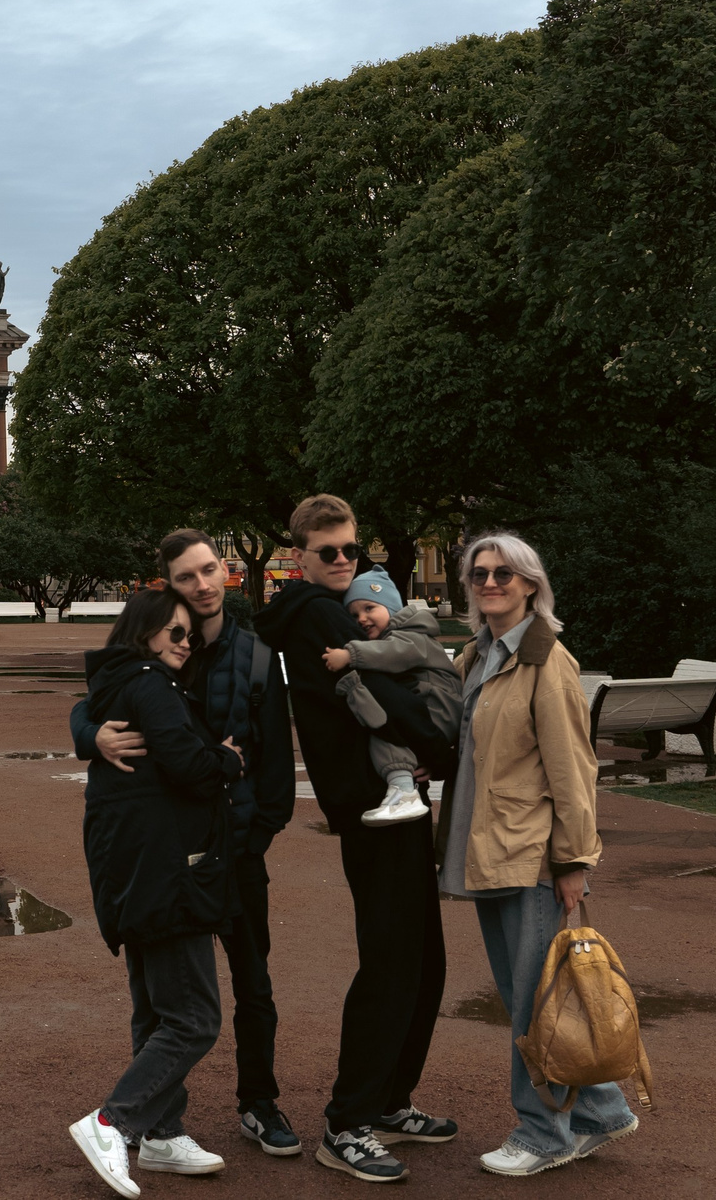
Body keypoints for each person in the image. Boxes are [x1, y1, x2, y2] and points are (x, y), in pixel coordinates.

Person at [75, 531, 301, 1156]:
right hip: (176, 846)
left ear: (225, 571)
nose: (201, 586)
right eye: (186, 578)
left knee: (251, 982)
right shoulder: (159, 653)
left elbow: (274, 757)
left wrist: (257, 834)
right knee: (167, 996)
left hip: (236, 844)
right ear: (167, 589)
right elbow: (97, 698)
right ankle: (156, 1126)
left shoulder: (253, 655)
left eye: (208, 571)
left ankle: (259, 1102)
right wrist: (90, 735)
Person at [255, 494, 456, 1182]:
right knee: (395, 959)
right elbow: (381, 695)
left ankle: (390, 1097)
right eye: (328, 551)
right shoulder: (315, 612)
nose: (343, 561)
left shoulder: (338, 610)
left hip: (392, 799)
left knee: (423, 958)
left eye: (351, 550)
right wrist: (441, 744)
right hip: (373, 805)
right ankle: (348, 1120)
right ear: (300, 555)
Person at [443, 532, 638, 1177]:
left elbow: (574, 771)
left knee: (533, 1000)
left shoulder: (546, 661)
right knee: (534, 996)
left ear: (530, 584)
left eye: (504, 573)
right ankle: (602, 1110)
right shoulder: (477, 656)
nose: (490, 582)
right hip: (489, 850)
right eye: (479, 574)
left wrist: (574, 862)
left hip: (530, 857)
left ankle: (544, 1134)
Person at [69, 588, 248, 1198]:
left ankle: (163, 1133)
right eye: (173, 631)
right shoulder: (150, 684)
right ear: (143, 632)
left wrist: (87, 732)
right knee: (195, 1017)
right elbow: (186, 765)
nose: (184, 642)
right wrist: (225, 759)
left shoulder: (117, 684)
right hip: (165, 873)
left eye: (189, 635)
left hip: (133, 871)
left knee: (156, 1011)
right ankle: (113, 1121)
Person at [323, 568, 463, 827]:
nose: (361, 619)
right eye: (353, 614)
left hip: (438, 708)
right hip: (429, 710)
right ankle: (402, 788)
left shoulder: (413, 636)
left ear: (392, 607)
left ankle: (402, 790)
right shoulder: (399, 637)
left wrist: (349, 654)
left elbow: (392, 653)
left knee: (383, 726)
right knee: (380, 727)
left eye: (369, 608)